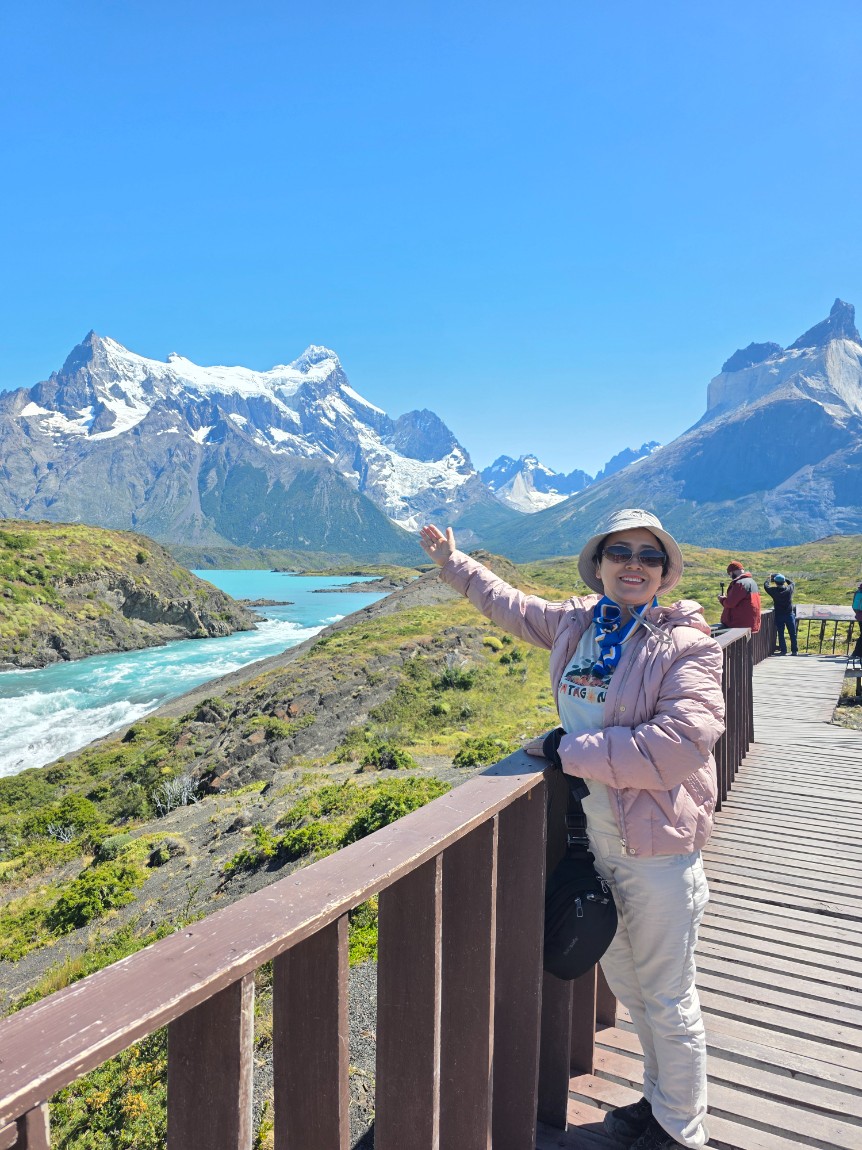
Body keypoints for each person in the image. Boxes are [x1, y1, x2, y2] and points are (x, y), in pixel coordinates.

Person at [419, 509, 725, 1150]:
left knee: (667, 996)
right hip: (597, 839)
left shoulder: (685, 643)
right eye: (621, 552)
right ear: (600, 563)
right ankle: (660, 1105)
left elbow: (681, 743)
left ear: (666, 571)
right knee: (634, 990)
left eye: (648, 555)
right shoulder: (582, 623)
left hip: (658, 846)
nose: (633, 564)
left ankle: (683, 1132)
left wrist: (567, 750)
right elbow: (511, 605)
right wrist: (453, 563)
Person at [718, 561, 761, 632]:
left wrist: (722, 599)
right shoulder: (752, 582)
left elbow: (730, 603)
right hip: (750, 624)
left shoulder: (740, 584)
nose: (730, 576)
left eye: (730, 574)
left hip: (739, 626)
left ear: (732, 572)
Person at [763, 573, 798, 655]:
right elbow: (792, 583)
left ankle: (783, 650)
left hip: (779, 615)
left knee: (781, 633)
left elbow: (766, 586)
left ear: (775, 582)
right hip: (789, 614)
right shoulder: (789, 590)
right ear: (783, 582)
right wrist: (784, 578)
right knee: (792, 633)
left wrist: (769, 578)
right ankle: (794, 651)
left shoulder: (773, 591)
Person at [852, 582, 862, 666]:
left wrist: (858, 614)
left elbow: (854, 606)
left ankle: (856, 653)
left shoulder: (858, 593)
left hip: (860, 616)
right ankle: (857, 653)